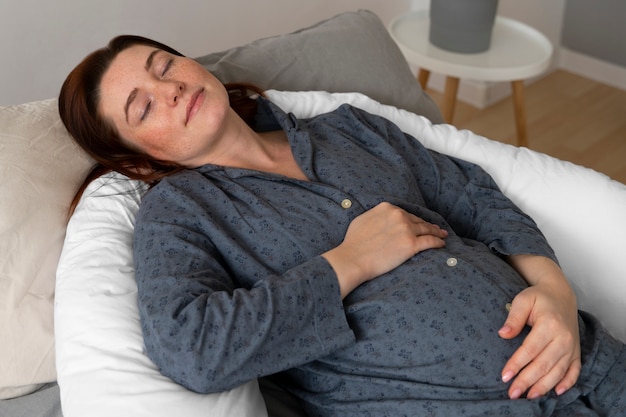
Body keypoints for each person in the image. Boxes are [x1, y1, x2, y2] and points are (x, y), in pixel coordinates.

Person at [58, 35, 625, 417]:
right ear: (136, 160)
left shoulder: (348, 127)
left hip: (587, 358)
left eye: (166, 66)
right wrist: (351, 261)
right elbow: (194, 348)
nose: (171, 88)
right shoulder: (179, 213)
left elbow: (472, 193)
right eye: (143, 107)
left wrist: (554, 291)